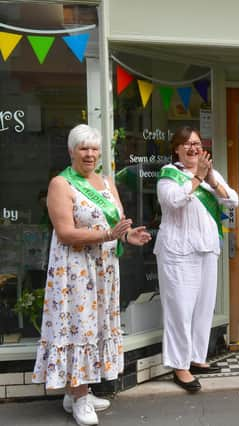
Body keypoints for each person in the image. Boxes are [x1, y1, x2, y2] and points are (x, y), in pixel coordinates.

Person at [32, 124, 152, 426]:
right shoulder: (61, 184)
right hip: (75, 271)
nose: (89, 154)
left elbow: (117, 227)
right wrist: (108, 235)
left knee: (95, 327)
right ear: (72, 151)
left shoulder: (107, 182)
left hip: (104, 270)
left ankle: (76, 392)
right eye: (83, 148)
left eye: (94, 149)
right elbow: (66, 233)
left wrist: (127, 237)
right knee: (78, 327)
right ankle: (80, 396)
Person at [154, 126, 238, 392]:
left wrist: (211, 180)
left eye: (197, 143)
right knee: (180, 310)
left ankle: (196, 358)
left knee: (203, 308)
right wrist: (197, 177)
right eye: (186, 143)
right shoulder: (168, 176)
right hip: (178, 252)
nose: (193, 148)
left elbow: (232, 201)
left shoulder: (211, 175)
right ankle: (179, 366)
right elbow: (174, 201)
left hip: (207, 248)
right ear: (176, 149)